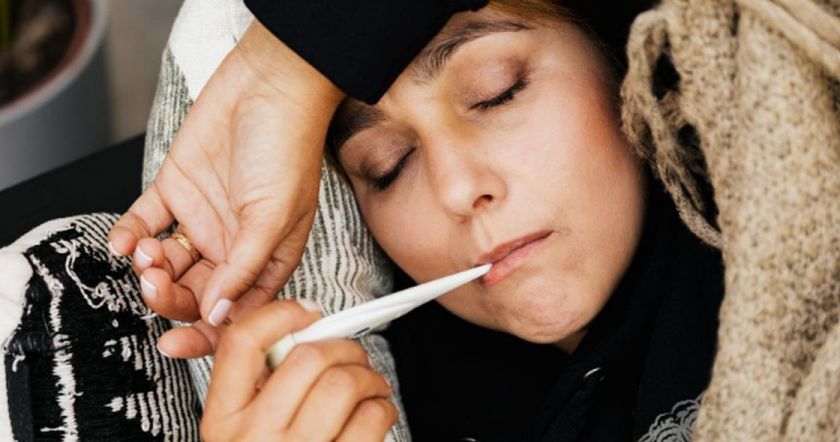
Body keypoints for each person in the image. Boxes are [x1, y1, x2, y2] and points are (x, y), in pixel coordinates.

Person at [156, 1, 724, 440]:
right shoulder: (386, 402)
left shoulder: (749, 191)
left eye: (497, 93)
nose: (456, 189)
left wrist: (281, 67)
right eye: (388, 166)